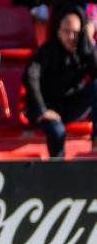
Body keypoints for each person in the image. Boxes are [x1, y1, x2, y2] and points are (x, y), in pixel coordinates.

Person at [24, 9, 97, 157]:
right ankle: (58, 170)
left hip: (70, 106)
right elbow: (29, 76)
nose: (71, 37)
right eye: (67, 32)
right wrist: (43, 110)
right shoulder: (49, 49)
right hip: (45, 107)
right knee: (57, 131)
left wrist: (88, 48)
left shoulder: (84, 50)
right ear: (59, 32)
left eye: (76, 33)